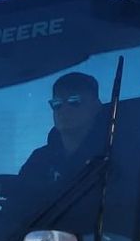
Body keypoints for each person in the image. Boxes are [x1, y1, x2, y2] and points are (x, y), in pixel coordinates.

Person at [11, 71, 110, 209]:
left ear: (96, 106)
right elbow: (19, 202)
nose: (64, 110)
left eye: (74, 101)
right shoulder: (40, 159)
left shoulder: (111, 157)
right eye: (57, 103)